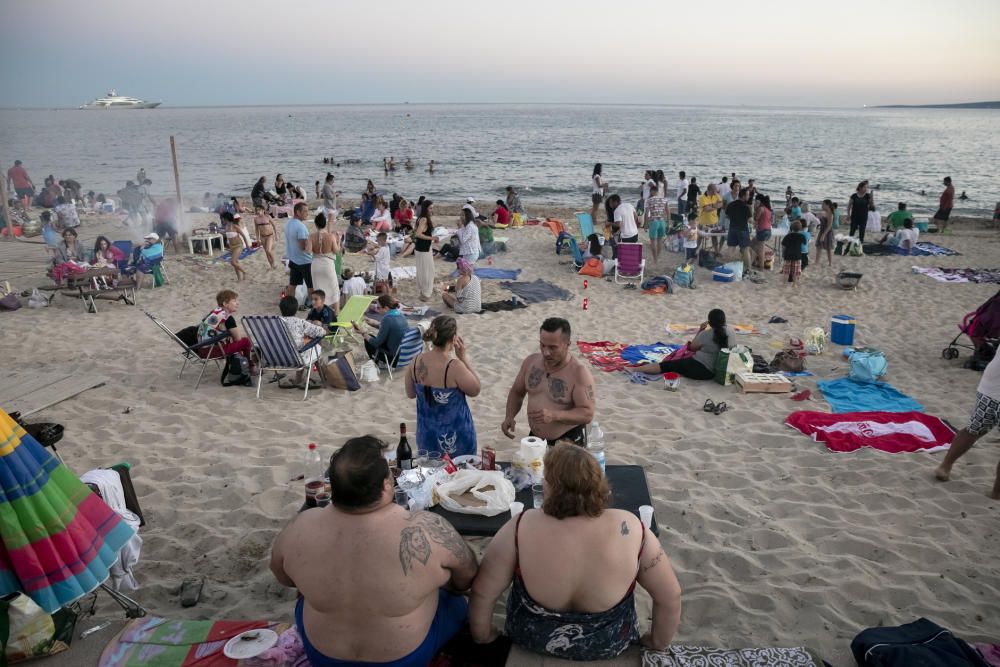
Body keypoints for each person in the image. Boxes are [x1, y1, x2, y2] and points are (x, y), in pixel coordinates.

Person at [270, 436, 477, 666]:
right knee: (454, 601)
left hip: (324, 656)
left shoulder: (300, 526)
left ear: (333, 486)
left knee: (304, 597)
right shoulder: (425, 527)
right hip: (403, 659)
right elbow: (467, 576)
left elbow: (283, 577)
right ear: (387, 485)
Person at [469, 443, 682, 657]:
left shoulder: (520, 527)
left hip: (529, 641)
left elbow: (483, 592)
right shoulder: (631, 528)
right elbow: (669, 596)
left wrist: (484, 636)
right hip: (610, 645)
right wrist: (657, 641)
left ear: (550, 485)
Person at [502, 318, 596, 447]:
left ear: (567, 344)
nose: (546, 352)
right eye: (542, 345)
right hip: (535, 438)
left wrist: (555, 415)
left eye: (553, 348)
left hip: (567, 442)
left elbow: (587, 413)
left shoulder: (579, 373)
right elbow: (517, 392)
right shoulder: (531, 362)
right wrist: (509, 416)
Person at [406, 315, 480, 457]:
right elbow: (475, 389)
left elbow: (410, 393)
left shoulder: (415, 361)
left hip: (427, 435)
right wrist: (463, 358)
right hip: (456, 437)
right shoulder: (454, 366)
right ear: (453, 338)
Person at [934, 354, 1000, 499]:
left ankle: (944, 466)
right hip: (993, 388)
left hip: (990, 387)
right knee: (973, 430)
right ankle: (997, 492)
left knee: (973, 429)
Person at [634, 308, 736, 380]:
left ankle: (635, 369)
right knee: (677, 365)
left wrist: (700, 330)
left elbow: (692, 348)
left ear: (709, 322)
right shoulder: (731, 331)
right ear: (724, 320)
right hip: (722, 371)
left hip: (702, 371)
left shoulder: (706, 334)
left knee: (668, 365)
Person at [278, 295, 327, 388]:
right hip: (296, 359)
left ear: (281, 308)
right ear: (296, 309)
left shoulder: (274, 323)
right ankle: (323, 379)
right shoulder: (300, 322)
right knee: (316, 349)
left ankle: (298, 379)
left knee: (300, 346)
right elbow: (321, 332)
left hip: (276, 358)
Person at [197, 289, 253, 359]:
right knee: (246, 341)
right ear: (225, 304)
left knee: (230, 339)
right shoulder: (228, 318)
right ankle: (250, 365)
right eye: (234, 301)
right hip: (212, 352)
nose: (237, 303)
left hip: (200, 350)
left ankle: (240, 362)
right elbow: (238, 339)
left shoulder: (213, 313)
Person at [310, 212, 342, 317]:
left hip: (315, 265)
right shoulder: (330, 236)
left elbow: (307, 251)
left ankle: (320, 313)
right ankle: (336, 313)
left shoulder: (311, 236)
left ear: (316, 224)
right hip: (327, 265)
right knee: (334, 289)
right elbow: (337, 251)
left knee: (318, 290)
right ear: (324, 224)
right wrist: (339, 240)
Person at [284, 202, 313, 303]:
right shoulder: (301, 227)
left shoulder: (289, 223)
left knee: (292, 285)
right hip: (304, 261)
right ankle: (312, 306)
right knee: (310, 286)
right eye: (305, 211)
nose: (307, 213)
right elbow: (303, 247)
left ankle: (287, 303)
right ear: (298, 212)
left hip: (293, 259)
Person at [725, 187, 753, 270]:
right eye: (747, 195)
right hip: (743, 230)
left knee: (731, 248)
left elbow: (727, 216)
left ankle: (727, 268)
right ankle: (749, 269)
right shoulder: (746, 207)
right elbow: (750, 220)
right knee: (745, 250)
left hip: (732, 228)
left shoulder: (731, 204)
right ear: (743, 196)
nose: (749, 196)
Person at [414, 201, 437, 301]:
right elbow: (418, 234)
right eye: (430, 208)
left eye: (432, 208)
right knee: (428, 271)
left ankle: (423, 291)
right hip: (423, 248)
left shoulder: (420, 218)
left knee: (422, 270)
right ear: (426, 208)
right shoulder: (424, 219)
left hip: (421, 247)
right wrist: (432, 238)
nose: (432, 210)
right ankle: (426, 294)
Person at [644, 186, 669, 264]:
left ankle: (655, 259)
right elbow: (668, 211)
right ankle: (657, 257)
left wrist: (645, 224)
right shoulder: (664, 199)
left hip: (654, 221)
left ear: (652, 191)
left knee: (653, 242)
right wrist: (667, 222)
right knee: (659, 241)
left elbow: (646, 213)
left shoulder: (649, 200)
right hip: (662, 221)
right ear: (657, 191)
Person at [220, 211, 248, 281]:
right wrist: (219, 232)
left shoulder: (235, 226)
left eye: (223, 218)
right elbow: (226, 234)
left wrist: (247, 245)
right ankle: (239, 278)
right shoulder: (226, 226)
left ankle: (244, 272)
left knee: (232, 262)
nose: (222, 220)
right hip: (232, 247)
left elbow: (243, 236)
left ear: (227, 218)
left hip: (238, 245)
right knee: (235, 262)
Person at [697, 183, 723, 252]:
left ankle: (716, 252)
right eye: (715, 190)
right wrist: (715, 205)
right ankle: (695, 251)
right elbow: (706, 209)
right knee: (700, 237)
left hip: (714, 221)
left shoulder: (716, 195)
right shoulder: (702, 197)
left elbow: (721, 204)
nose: (717, 191)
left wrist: (712, 206)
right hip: (704, 222)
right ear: (710, 190)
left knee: (714, 237)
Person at [750, 194, 773, 273]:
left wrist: (755, 208)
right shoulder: (768, 209)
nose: (756, 202)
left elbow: (756, 218)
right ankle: (752, 262)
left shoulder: (761, 208)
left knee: (760, 250)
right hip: (768, 231)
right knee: (752, 244)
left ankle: (761, 268)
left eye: (756, 201)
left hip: (762, 231)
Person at [253, 203, 277, 269]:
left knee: (268, 250)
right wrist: (258, 239)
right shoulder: (256, 219)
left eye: (259, 210)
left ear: (263, 210)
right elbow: (256, 229)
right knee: (266, 252)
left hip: (270, 235)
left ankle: (274, 263)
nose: (258, 211)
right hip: (262, 236)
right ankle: (271, 265)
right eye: (257, 210)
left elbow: (274, 226)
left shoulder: (268, 216)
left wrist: (276, 235)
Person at [782, 220, 806, 287]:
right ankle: (794, 284)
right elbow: (805, 243)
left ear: (791, 228)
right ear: (801, 228)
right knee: (796, 272)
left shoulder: (788, 236)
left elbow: (783, 246)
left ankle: (784, 284)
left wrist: (783, 253)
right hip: (797, 256)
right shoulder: (801, 236)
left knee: (786, 271)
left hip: (788, 255)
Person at [816, 199, 835, 267]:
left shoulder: (830, 213)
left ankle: (830, 263)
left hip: (828, 232)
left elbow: (829, 225)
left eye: (823, 204)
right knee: (818, 246)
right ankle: (817, 262)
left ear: (827, 205)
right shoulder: (823, 212)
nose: (822, 205)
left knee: (828, 248)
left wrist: (824, 235)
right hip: (821, 230)